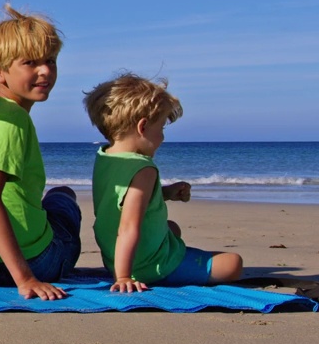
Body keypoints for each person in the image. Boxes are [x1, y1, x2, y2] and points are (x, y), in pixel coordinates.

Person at [0, 6, 81, 300]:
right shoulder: (13, 120)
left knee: (55, 198)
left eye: (50, 61)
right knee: (65, 199)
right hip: (29, 262)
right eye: (30, 63)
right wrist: (25, 278)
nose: (45, 71)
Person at [86, 73, 244, 291]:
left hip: (114, 255)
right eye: (161, 129)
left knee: (172, 228)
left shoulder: (105, 156)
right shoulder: (143, 169)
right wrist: (123, 277)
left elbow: (125, 200)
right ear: (143, 128)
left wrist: (167, 193)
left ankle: (136, 264)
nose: (162, 137)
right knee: (233, 263)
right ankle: (159, 268)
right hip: (144, 265)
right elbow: (128, 227)